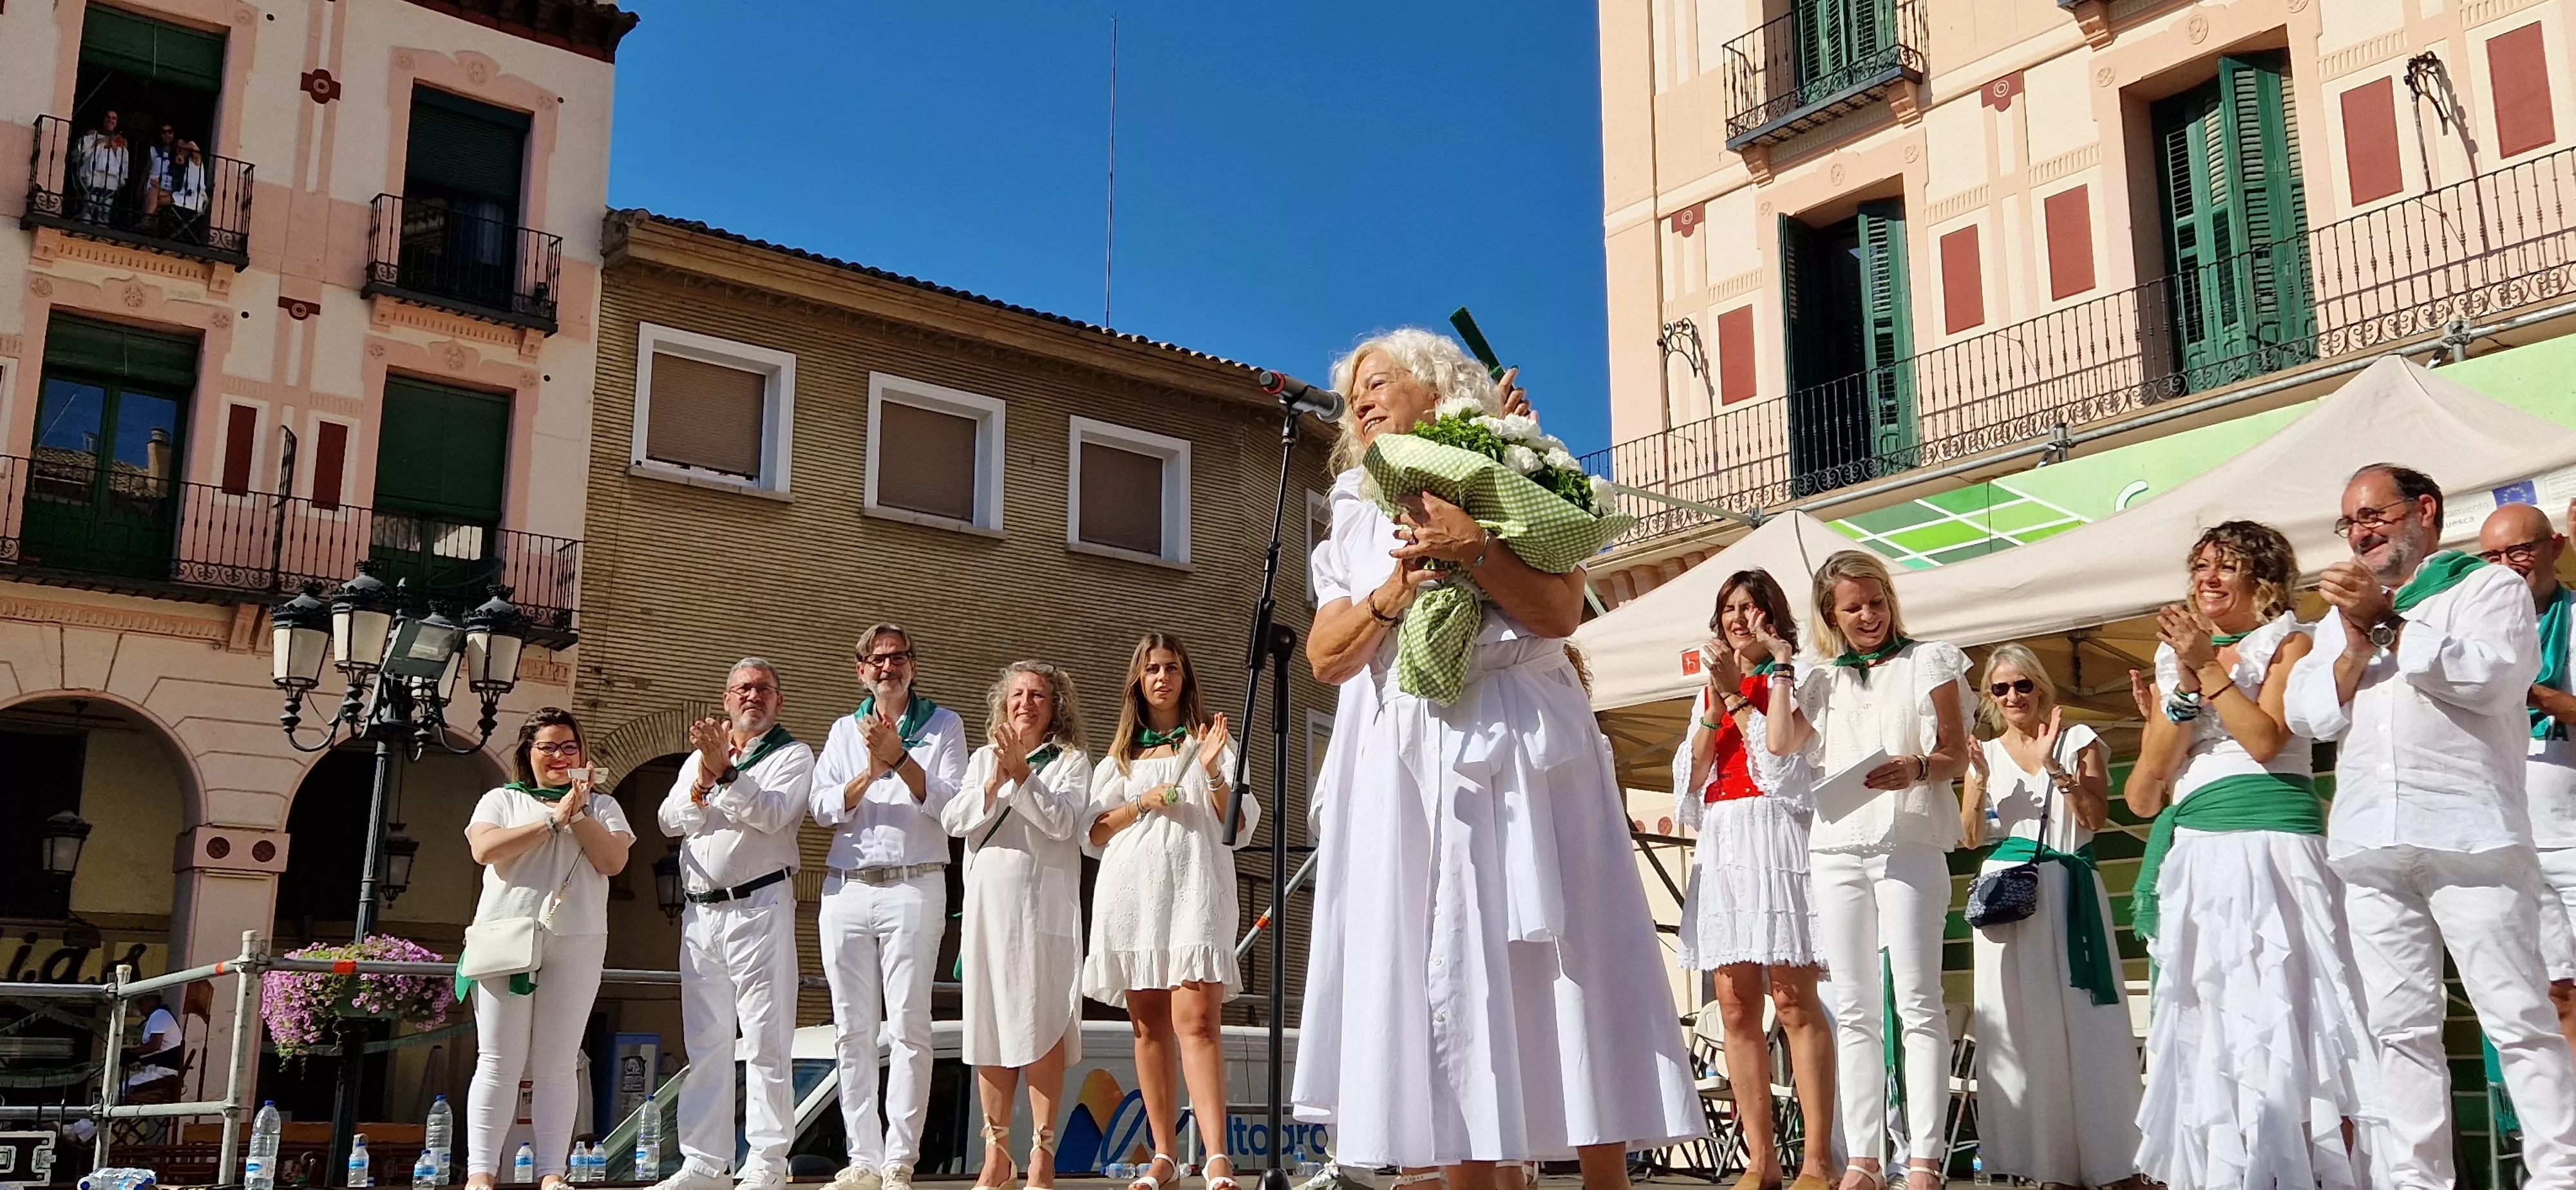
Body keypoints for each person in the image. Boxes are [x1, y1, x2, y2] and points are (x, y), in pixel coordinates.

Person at [1295, 329, 1700, 1190]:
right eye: (1350, 393)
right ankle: (1479, 1171)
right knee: (1449, 971)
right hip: (1411, 765)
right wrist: (1393, 593)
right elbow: (1326, 656)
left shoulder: (1513, 470)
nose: (1359, 401)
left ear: (1437, 393)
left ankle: (1603, 1172)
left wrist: (1474, 543)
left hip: (1523, 743)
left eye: (1379, 382)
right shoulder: (1355, 512)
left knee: (1565, 961)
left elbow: (1560, 612)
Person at [2287, 464, 2576, 1187]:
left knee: (2518, 1021)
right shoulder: (2341, 617)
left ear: (2424, 510)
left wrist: (2389, 624)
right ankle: (2416, 1181)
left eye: (2373, 514)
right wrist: (2356, 643)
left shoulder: (2488, 588)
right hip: (2370, 844)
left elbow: (2495, 680)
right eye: (2349, 521)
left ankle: (2559, 1174)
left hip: (2469, 834)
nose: (2360, 531)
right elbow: (2307, 715)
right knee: (2398, 1031)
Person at [2123, 520, 2374, 1190]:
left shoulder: (2291, 641)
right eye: (2199, 565)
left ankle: (2312, 1171)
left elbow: (2265, 739)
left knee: (2294, 1019)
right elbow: (2146, 784)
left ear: (2260, 579)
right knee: (2213, 1024)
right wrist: (2180, 689)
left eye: (2224, 567)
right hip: (2198, 853)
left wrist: (2207, 668)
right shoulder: (2173, 659)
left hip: (2272, 851)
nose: (2206, 578)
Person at [1765, 549, 1967, 1190]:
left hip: (1908, 839)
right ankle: (1862, 1159)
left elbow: (1957, 754)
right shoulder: (1822, 679)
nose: (1868, 616)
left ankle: (1925, 1159)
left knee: (1917, 1002)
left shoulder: (1929, 659)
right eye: (1852, 608)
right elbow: (1779, 744)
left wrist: (1918, 769)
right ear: (1831, 615)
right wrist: (1778, 671)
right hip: (1838, 846)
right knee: (1851, 1008)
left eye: (1875, 602)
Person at [1669, 569, 1836, 1190]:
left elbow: (1783, 769)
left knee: (1794, 999)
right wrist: (1715, 704)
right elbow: (1690, 777)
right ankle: (1759, 1160)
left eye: (1751, 606)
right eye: (1729, 608)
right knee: (1735, 1005)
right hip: (1725, 835)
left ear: (1774, 613)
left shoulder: (1803, 674)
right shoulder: (1712, 684)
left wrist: (1740, 695)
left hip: (1779, 833)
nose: (1738, 618)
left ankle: (1817, 1158)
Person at [1957, 646, 2141, 1190]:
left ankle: (2111, 1162)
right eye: (2001, 689)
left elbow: (2095, 817)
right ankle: (2046, 1165)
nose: (2013, 697)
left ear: (2040, 688)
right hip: (2008, 897)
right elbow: (1968, 838)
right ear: (1991, 698)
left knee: (2088, 1023)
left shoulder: (2077, 740)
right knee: (2021, 1029)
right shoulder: (1984, 753)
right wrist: (1977, 780)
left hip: (2066, 889)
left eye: (2023, 686)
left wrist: (2058, 770)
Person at [1081, 633, 1251, 1190]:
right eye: (1152, 668)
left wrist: (1215, 771)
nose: (1162, 677)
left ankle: (1218, 1155)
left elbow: (1240, 827)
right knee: (1148, 1027)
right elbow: (1093, 834)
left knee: (1198, 1023)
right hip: (1133, 897)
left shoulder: (1210, 743)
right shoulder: (1120, 759)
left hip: (1195, 890)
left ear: (1185, 677)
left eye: (1172, 667)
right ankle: (1162, 1154)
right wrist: (1141, 803)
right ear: (1138, 680)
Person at [809, 627, 966, 1190]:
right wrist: (869, 773)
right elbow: (822, 807)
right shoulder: (841, 729)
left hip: (913, 885)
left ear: (913, 667)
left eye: (898, 658)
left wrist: (900, 759)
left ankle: (900, 1157)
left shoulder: (944, 724)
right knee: (851, 1029)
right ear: (861, 671)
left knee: (907, 1024)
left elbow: (951, 806)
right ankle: (863, 1158)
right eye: (877, 660)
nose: (887, 668)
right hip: (845, 887)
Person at [654, 660, 812, 1190]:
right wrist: (705, 775)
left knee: (766, 1039)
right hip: (700, 912)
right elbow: (670, 820)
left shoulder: (792, 754)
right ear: (726, 700)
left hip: (758, 906)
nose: (753, 696)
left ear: (779, 703)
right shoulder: (703, 758)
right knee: (706, 1040)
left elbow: (772, 815)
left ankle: (767, 1162)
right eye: (743, 689)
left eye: (765, 689)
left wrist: (726, 773)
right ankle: (704, 1162)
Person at [463, 708, 634, 1190]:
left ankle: (551, 1172)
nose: (559, 756)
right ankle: (481, 1172)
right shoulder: (501, 800)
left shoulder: (603, 808)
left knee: (558, 1061)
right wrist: (552, 821)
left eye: (569, 747)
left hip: (576, 938)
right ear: (528, 753)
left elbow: (613, 860)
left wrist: (576, 813)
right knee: (498, 1059)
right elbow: (486, 850)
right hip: (506, 939)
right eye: (548, 747)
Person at [942, 661, 1093, 1190]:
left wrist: (1025, 776)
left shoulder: (1071, 762)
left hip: (1042, 913)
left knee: (1042, 1028)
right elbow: (954, 821)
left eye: (1038, 697)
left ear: (1055, 709)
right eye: (1017, 695)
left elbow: (1065, 823)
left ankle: (1043, 1152)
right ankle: (996, 1152)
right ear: (1003, 704)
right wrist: (995, 779)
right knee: (989, 1029)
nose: (1025, 703)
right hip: (988, 913)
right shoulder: (983, 757)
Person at [2481, 500, 2576, 1053]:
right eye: (2492, 556)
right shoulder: (2477, 637)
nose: (2507, 566)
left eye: (2519, 550)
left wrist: (2540, 697)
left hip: (2572, 836)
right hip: (2512, 844)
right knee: (2550, 993)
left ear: (2554, 549)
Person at [71, 111, 129, 224]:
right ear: (103, 119)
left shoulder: (120, 140)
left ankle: (103, 220)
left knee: (107, 202)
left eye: (114, 118)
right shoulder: (93, 134)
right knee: (91, 199)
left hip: (112, 172)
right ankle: (86, 218)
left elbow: (123, 157)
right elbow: (81, 149)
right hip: (94, 171)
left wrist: (114, 143)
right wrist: (103, 141)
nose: (110, 120)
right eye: (108, 117)